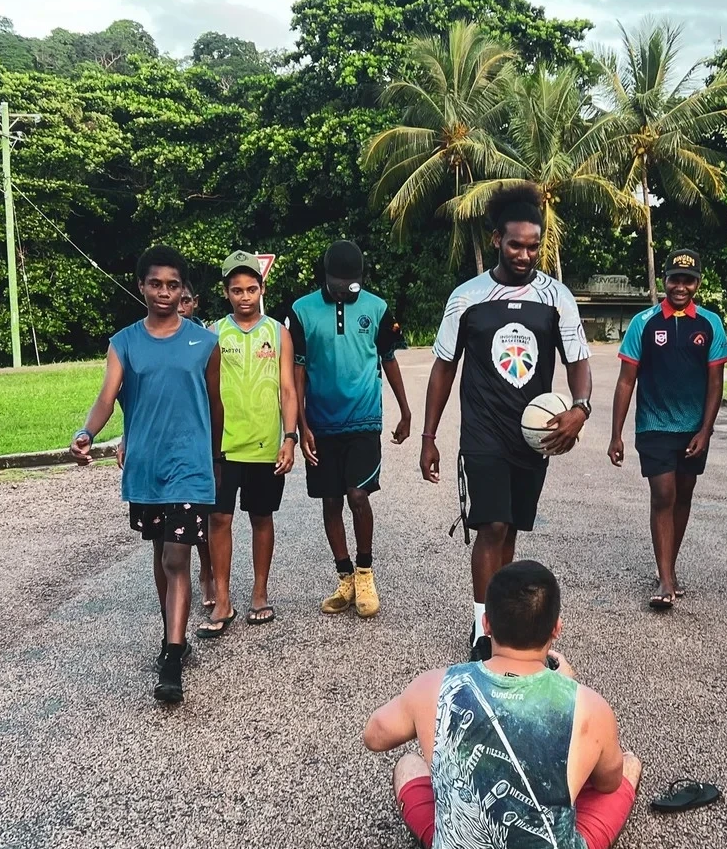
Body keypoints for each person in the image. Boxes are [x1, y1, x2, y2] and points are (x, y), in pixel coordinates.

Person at [364, 560, 641, 849]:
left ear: (487, 624)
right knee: (628, 764)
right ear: (556, 629)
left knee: (408, 764)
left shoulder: (434, 686)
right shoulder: (589, 705)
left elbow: (374, 735)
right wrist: (568, 686)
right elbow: (607, 783)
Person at [421, 184, 592, 662]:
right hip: (484, 430)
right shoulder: (467, 297)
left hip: (533, 434)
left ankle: (506, 618)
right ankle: (484, 630)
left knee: (512, 526)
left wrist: (580, 408)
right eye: (516, 244)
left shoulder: (556, 297)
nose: (524, 254)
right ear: (497, 239)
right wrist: (429, 437)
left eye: (533, 246)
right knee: (491, 526)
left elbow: (578, 360)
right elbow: (443, 366)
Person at [71, 246, 222, 704]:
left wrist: (213, 457)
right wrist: (86, 431)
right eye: (155, 283)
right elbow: (106, 397)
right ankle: (171, 636)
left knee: (177, 556)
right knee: (162, 553)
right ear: (141, 286)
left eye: (173, 285)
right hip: (147, 469)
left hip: (190, 467)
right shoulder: (124, 343)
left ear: (184, 291)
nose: (164, 292)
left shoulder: (204, 343)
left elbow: (215, 406)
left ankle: (172, 658)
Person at [290, 240, 410, 619]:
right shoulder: (301, 311)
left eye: (352, 284)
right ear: (325, 277)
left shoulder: (376, 308)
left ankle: (365, 572)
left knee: (358, 496)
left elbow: (388, 359)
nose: (345, 291)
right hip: (321, 423)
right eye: (338, 284)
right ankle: (343, 577)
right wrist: (301, 425)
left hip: (364, 419)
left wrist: (406, 410)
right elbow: (298, 371)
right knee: (331, 500)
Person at [607, 249, 727, 610]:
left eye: (688, 279)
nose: (680, 286)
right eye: (674, 278)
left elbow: (716, 383)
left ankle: (670, 568)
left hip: (693, 429)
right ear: (664, 279)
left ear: (698, 283)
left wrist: (706, 430)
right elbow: (626, 381)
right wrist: (616, 433)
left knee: (684, 495)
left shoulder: (710, 324)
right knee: (663, 494)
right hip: (654, 425)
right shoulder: (644, 323)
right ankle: (664, 578)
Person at [196, 250, 299, 638]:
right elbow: (204, 390)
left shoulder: (277, 332)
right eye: (236, 290)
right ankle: (222, 599)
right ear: (226, 292)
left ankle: (259, 592)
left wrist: (289, 438)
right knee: (219, 519)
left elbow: (288, 391)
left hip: (265, 444)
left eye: (251, 289)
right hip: (222, 446)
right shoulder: (212, 334)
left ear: (262, 288)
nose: (244, 296)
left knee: (261, 518)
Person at [176, 282, 217, 608]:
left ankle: (207, 570)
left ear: (194, 303)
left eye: (186, 300)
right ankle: (180, 581)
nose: (179, 305)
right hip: (168, 439)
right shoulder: (156, 336)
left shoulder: (208, 339)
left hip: (200, 437)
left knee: (204, 514)